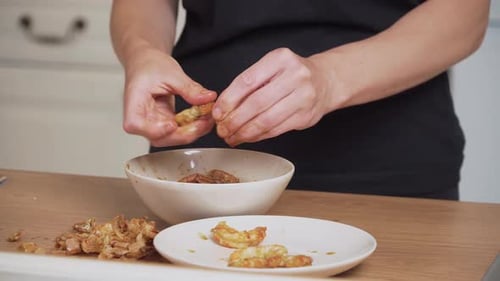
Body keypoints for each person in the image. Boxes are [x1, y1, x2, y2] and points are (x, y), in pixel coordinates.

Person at [110, 0, 490, 200]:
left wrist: (331, 78)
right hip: (198, 169)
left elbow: (466, 12)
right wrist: (143, 52)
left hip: (389, 173)